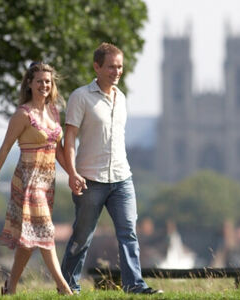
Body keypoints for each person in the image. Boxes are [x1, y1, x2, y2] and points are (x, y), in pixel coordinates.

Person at [60, 42, 162, 295]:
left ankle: (134, 285)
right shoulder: (80, 97)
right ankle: (68, 286)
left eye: (120, 67)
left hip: (121, 178)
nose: (116, 72)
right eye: (111, 67)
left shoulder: (122, 97)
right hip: (90, 179)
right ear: (97, 66)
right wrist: (72, 173)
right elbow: (69, 137)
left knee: (128, 233)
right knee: (82, 237)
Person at [0, 62, 73, 295]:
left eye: (48, 81)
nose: (44, 85)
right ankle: (63, 288)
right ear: (30, 84)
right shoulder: (23, 114)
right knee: (45, 230)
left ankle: (10, 288)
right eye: (39, 81)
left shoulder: (54, 111)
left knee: (30, 237)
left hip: (47, 181)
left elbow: (59, 151)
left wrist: (73, 174)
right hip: (28, 180)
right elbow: (4, 148)